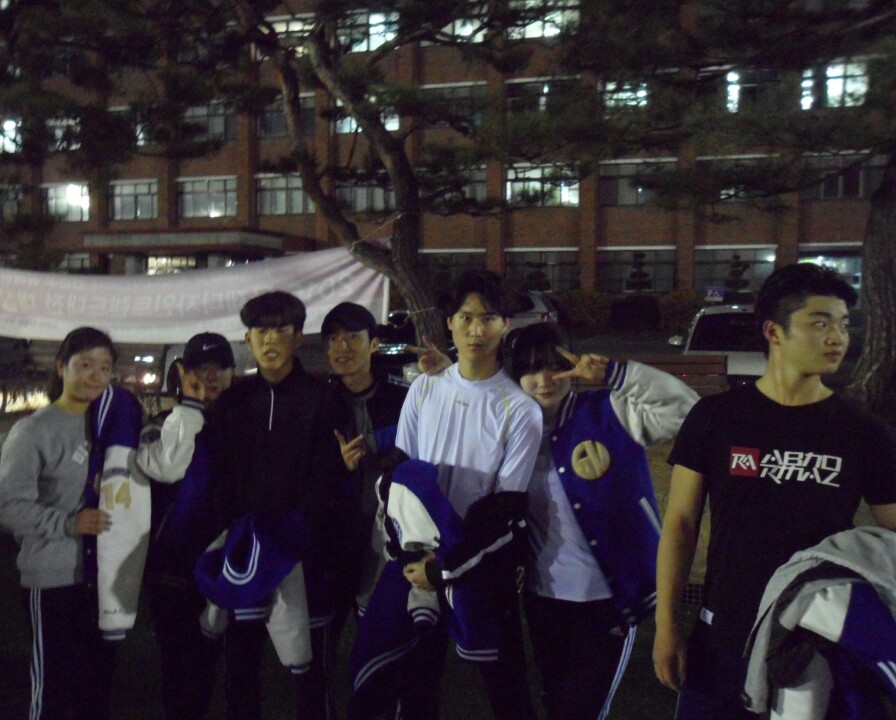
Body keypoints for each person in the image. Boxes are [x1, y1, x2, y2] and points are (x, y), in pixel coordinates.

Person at [652, 263, 896, 719]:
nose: (837, 338)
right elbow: (681, 524)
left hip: (814, 640)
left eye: (843, 325)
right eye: (820, 324)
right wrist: (666, 626)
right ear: (773, 331)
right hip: (723, 632)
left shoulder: (863, 432)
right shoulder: (716, 417)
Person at [350, 270, 543, 720]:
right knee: (415, 682)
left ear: (505, 323)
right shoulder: (425, 387)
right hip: (417, 563)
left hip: (479, 566)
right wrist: (408, 553)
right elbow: (399, 474)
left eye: (488, 318)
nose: (476, 330)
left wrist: (446, 567)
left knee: (506, 686)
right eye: (466, 317)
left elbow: (505, 508)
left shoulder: (520, 409)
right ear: (450, 322)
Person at [505, 323, 699, 720]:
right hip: (544, 598)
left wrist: (617, 374)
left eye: (554, 365)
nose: (544, 379)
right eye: (530, 369)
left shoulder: (609, 412)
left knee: (582, 710)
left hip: (607, 600)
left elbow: (687, 412)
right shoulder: (513, 432)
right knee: (554, 700)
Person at [209, 291, 348, 720]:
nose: (270, 339)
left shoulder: (323, 399)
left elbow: (331, 479)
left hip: (306, 556)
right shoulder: (232, 402)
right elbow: (218, 477)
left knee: (310, 672)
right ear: (247, 338)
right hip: (246, 553)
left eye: (282, 329)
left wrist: (304, 535)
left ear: (298, 337)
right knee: (240, 668)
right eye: (261, 330)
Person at [0, 326, 143, 720]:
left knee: (96, 688)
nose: (96, 376)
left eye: (105, 368)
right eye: (85, 365)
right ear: (61, 366)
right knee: (54, 689)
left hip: (102, 580)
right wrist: (68, 523)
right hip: (53, 579)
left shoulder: (113, 425)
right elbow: (9, 506)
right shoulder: (33, 430)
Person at [134, 332, 235, 720]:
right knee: (177, 667)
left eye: (219, 367)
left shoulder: (244, 425)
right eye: (200, 368)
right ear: (182, 373)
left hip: (228, 565)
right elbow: (166, 467)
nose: (210, 376)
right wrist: (190, 406)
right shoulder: (161, 425)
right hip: (172, 569)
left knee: (216, 667)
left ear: (232, 372)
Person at [323, 303, 408, 632]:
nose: (342, 347)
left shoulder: (402, 399)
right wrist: (339, 464)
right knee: (326, 631)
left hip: (387, 534)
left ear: (373, 344)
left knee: (379, 631)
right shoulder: (322, 404)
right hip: (335, 537)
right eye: (334, 339)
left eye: (352, 337)